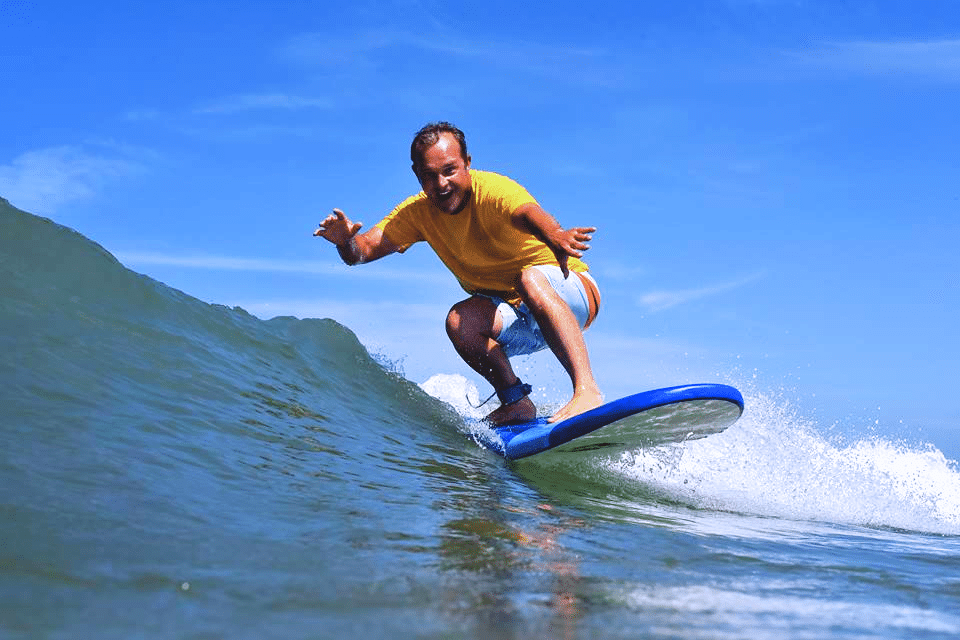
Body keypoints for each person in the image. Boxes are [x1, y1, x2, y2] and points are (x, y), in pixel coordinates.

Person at [314, 122, 603, 425]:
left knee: (528, 278)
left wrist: (555, 234)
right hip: (523, 316)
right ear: (417, 175)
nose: (441, 184)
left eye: (450, 170)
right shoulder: (418, 214)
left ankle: (587, 391)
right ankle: (516, 403)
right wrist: (346, 242)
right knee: (460, 322)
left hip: (572, 294)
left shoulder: (492, 190)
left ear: (467, 163)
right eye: (429, 175)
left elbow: (527, 213)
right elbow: (362, 251)